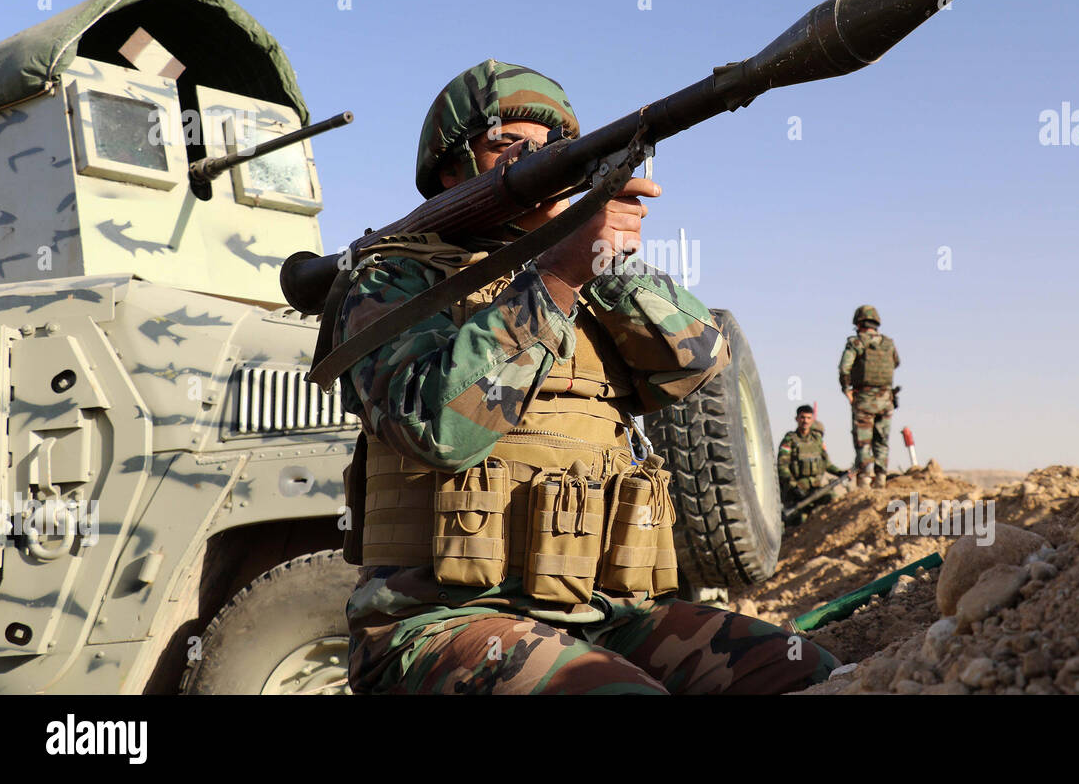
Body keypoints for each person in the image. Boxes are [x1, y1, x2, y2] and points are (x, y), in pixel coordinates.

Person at [329, 59, 839, 694]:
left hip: (607, 615)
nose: (535, 158)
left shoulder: (590, 274)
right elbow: (439, 428)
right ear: (452, 170)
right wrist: (558, 277)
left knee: (807, 673)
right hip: (441, 620)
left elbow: (700, 361)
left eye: (550, 149)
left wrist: (604, 254)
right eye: (506, 143)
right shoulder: (394, 279)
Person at [837, 305, 900, 489]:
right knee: (882, 441)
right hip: (886, 399)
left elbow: (844, 368)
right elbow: (896, 363)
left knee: (864, 442)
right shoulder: (888, 344)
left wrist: (846, 389)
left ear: (858, 323)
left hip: (864, 399)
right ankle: (880, 480)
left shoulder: (856, 343)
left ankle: (864, 483)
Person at [777, 405, 849, 523]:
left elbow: (827, 464)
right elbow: (782, 467)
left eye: (809, 418)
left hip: (815, 490)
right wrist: (794, 486)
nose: (805, 421)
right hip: (796, 493)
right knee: (799, 521)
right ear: (797, 419)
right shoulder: (790, 439)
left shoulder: (817, 439)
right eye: (802, 417)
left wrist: (840, 472)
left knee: (834, 500)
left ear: (812, 420)